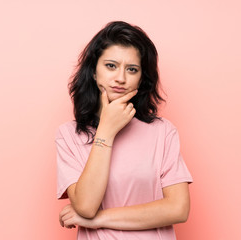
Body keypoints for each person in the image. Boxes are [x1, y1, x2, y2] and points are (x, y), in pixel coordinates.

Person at [55, 21, 193, 239]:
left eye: (132, 69)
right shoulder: (68, 135)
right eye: (111, 66)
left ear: (141, 78)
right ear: (93, 71)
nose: (120, 78)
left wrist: (99, 220)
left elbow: (178, 209)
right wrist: (106, 132)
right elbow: (86, 206)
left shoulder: (162, 132)